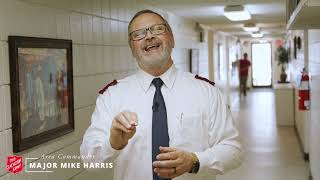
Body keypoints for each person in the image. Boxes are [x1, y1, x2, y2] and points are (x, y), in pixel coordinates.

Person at [80, 9, 243, 180]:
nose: (149, 37)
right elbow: (89, 162)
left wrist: (195, 161)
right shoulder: (112, 97)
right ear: (132, 49)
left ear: (172, 39)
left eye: (157, 29)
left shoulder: (206, 92)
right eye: (139, 34)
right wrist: (112, 144)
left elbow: (234, 149)